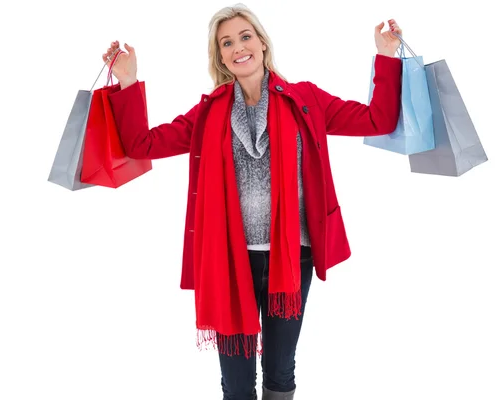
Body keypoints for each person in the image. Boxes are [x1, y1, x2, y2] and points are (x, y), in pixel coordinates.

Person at [102, 3, 402, 400]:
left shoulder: (304, 99)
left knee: (280, 371)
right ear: (220, 56)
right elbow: (143, 144)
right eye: (226, 42)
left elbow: (377, 121)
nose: (237, 47)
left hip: (293, 258)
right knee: (237, 383)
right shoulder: (209, 113)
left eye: (245, 36)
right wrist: (128, 82)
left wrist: (385, 56)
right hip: (229, 262)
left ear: (261, 43)